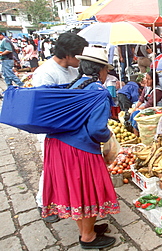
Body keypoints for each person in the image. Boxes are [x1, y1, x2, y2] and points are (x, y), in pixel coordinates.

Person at [42, 46, 119, 249]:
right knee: (89, 189)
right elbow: (96, 129)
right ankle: (88, 238)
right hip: (78, 149)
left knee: (77, 190)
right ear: (100, 70)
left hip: (58, 146)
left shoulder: (74, 84)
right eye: (106, 70)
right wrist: (108, 136)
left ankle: (88, 229)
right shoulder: (98, 92)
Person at [32, 33, 89, 223]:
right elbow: (44, 107)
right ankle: (43, 203)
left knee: (67, 172)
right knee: (50, 169)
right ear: (67, 54)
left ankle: (67, 202)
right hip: (52, 131)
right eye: (78, 55)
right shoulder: (45, 73)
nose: (80, 59)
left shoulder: (74, 70)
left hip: (71, 131)